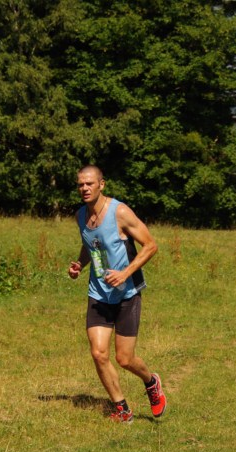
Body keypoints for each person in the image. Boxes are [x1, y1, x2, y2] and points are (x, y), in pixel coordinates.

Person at [67, 165, 166, 423]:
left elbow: (150, 245)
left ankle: (151, 381)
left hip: (126, 294)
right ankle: (122, 409)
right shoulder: (80, 215)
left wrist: (125, 274)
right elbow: (91, 245)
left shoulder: (119, 212)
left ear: (101, 184)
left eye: (89, 183)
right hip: (98, 293)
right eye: (80, 184)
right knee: (99, 353)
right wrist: (80, 264)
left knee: (124, 358)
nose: (84, 188)